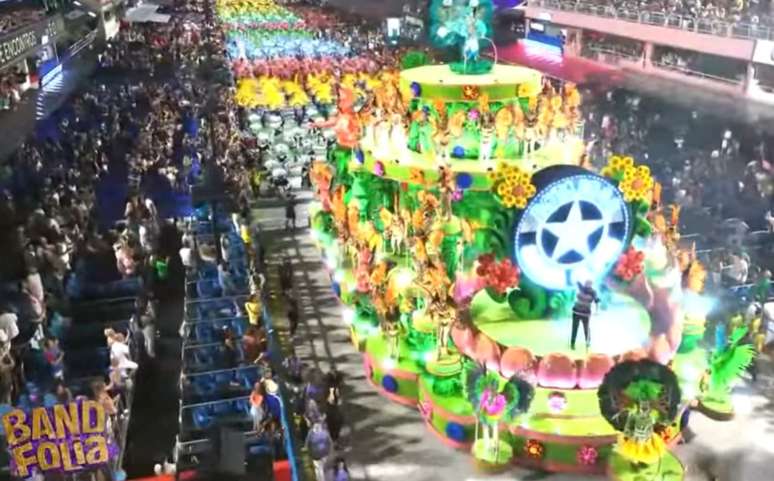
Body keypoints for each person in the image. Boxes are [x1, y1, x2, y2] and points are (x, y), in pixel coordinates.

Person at [571, 280, 599, 350]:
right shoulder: (581, 288)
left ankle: (587, 342)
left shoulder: (593, 292)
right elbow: (577, 281)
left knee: (586, 328)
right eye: (586, 283)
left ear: (591, 284)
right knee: (574, 328)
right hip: (576, 311)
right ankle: (572, 343)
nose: (587, 284)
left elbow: (596, 301)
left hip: (585, 313)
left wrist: (596, 311)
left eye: (589, 283)